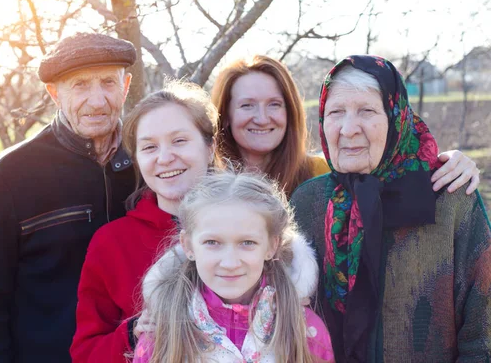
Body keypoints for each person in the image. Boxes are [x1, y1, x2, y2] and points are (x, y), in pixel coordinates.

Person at [289, 55, 491, 362]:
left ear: (396, 117)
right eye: (336, 112)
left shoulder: (447, 195)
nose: (348, 128)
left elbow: (483, 331)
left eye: (367, 111)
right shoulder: (308, 202)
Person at [0, 32, 137, 362]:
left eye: (108, 83)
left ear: (125, 86)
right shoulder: (11, 173)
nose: (97, 100)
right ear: (55, 93)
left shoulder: (151, 161)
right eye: (81, 85)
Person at [70, 81, 219, 362]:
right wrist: (131, 333)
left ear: (210, 147)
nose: (165, 158)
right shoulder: (112, 243)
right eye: (149, 147)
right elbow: (85, 354)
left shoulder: (249, 223)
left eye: (179, 141)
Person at [133, 171, 335, 363]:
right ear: (187, 245)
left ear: (272, 246)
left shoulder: (305, 329)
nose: (230, 263)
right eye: (212, 242)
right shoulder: (161, 331)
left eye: (247, 243)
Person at [211, 55, 481, 196]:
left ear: (291, 112)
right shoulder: (207, 183)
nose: (262, 117)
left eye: (274, 104)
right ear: (226, 114)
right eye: (247, 105)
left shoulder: (323, 175)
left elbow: (390, 162)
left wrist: (451, 162)